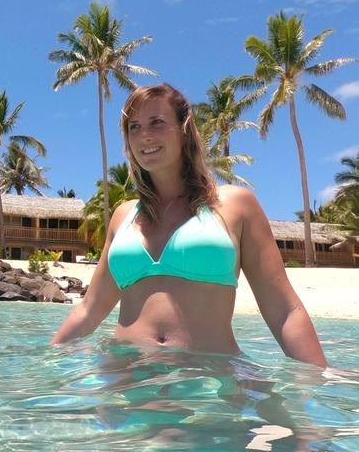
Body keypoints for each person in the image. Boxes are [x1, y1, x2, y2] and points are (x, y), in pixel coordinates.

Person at [50, 83, 327, 368]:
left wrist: (318, 383)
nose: (144, 135)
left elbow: (283, 311)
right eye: (134, 127)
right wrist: (45, 368)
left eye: (156, 122)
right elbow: (88, 310)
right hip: (124, 377)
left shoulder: (235, 204)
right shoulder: (123, 215)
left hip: (208, 380)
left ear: (184, 129)